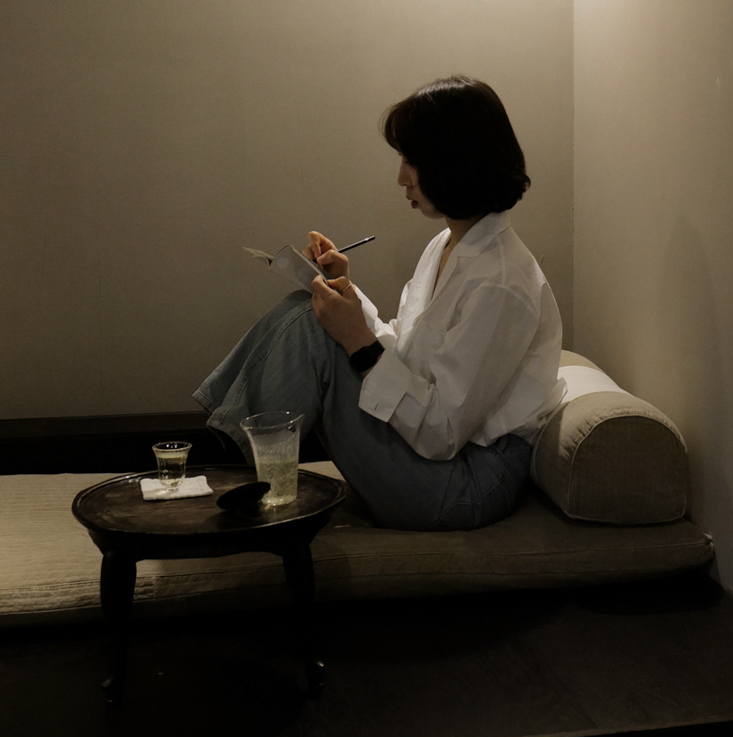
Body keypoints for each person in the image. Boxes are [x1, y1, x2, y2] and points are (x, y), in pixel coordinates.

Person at [195, 77, 563, 530]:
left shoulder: (501, 282)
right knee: (310, 305)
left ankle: (221, 466)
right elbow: (407, 353)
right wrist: (348, 296)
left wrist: (360, 345)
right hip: (438, 461)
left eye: (411, 160)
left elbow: (443, 433)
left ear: (454, 161)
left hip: (465, 483)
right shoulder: (448, 244)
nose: (401, 177)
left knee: (311, 325)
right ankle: (224, 462)